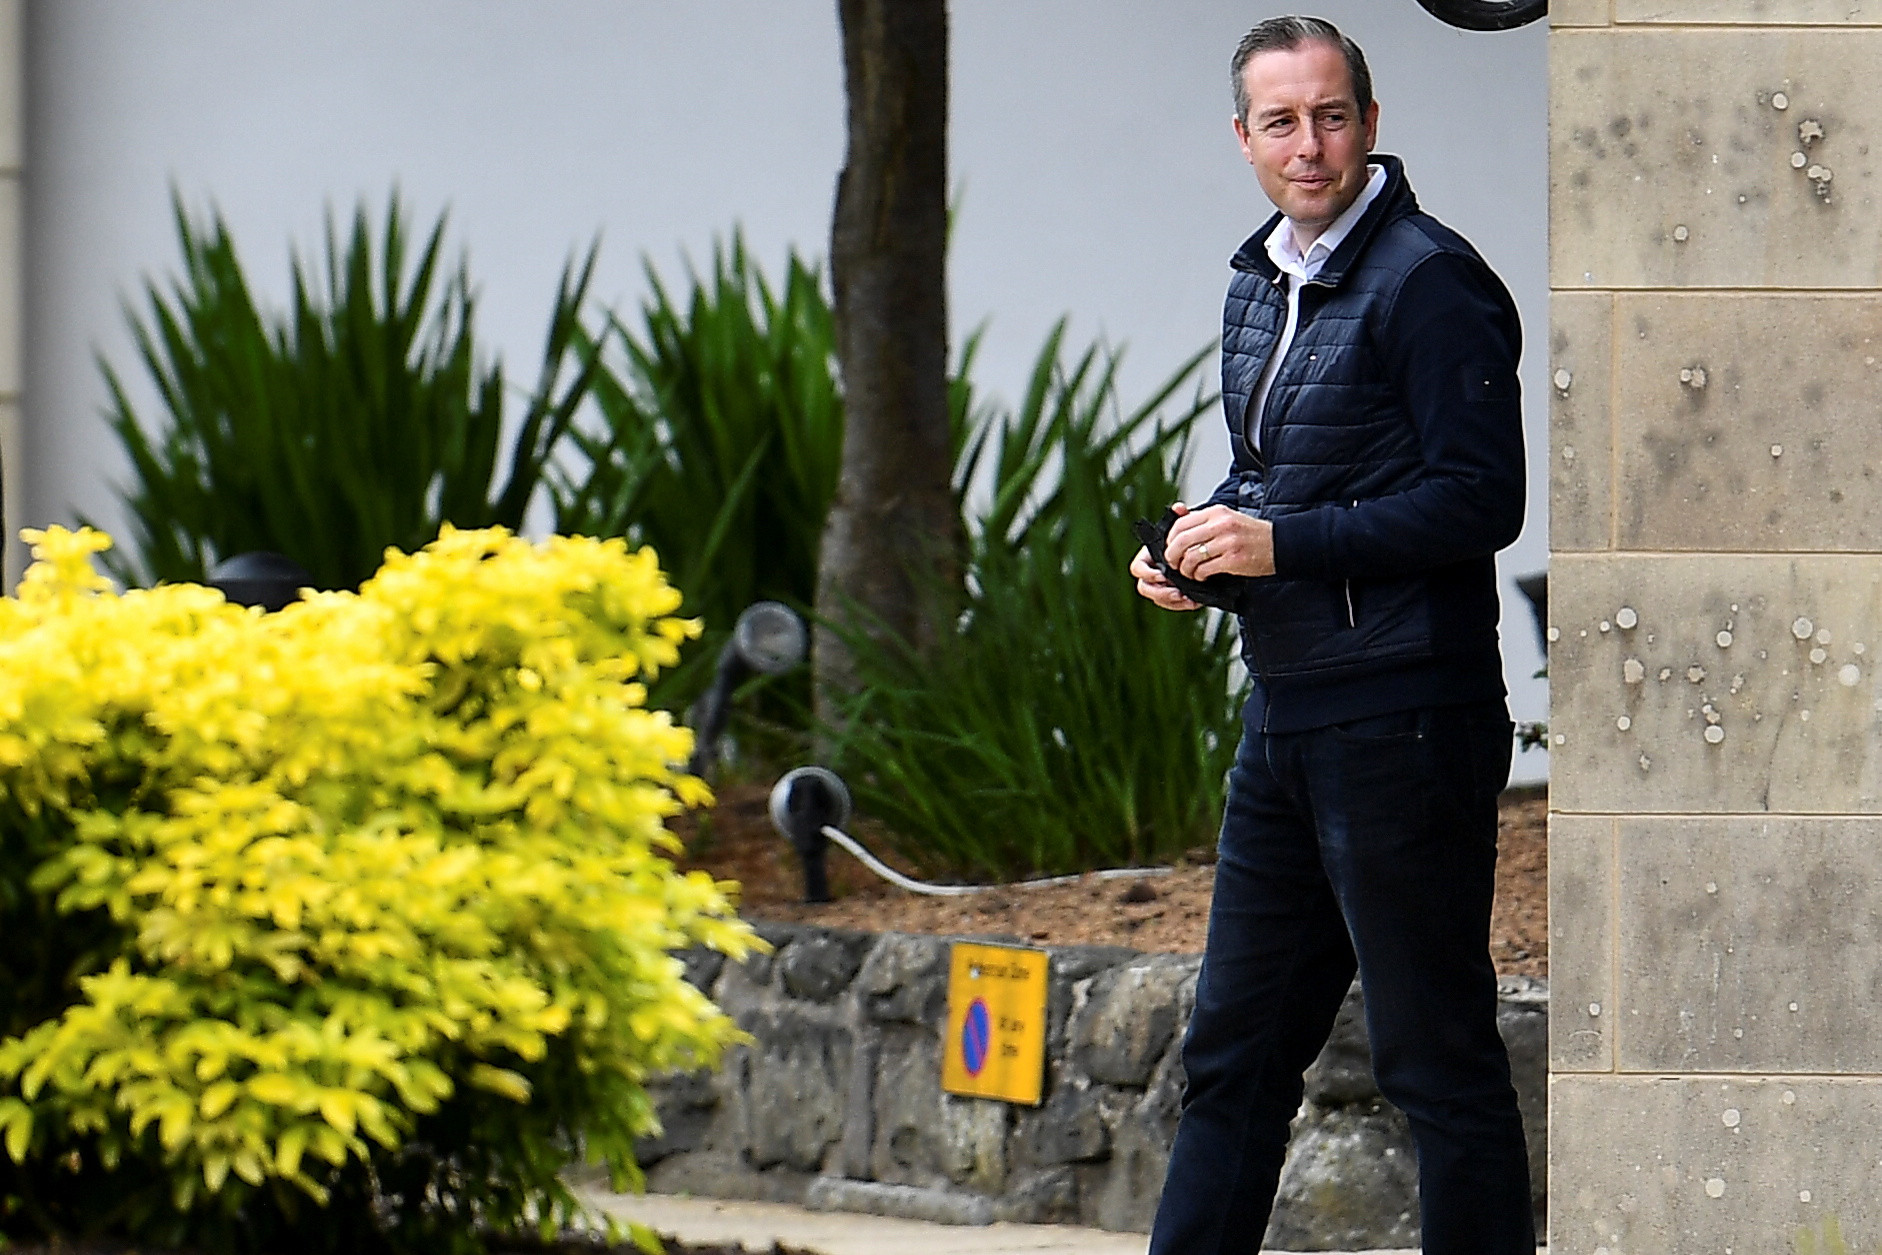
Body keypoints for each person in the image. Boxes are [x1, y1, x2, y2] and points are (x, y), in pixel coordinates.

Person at [1130, 16, 1534, 1254]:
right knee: (1234, 1054)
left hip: (1407, 717)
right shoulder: (1263, 276)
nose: (1309, 146)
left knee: (1434, 1061)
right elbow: (1280, 471)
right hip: (1290, 712)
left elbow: (1482, 500)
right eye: (1280, 121)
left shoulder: (1428, 279)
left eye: (1331, 116)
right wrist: (1202, 545)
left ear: (1368, 120)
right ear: (1242, 136)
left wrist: (1280, 546)